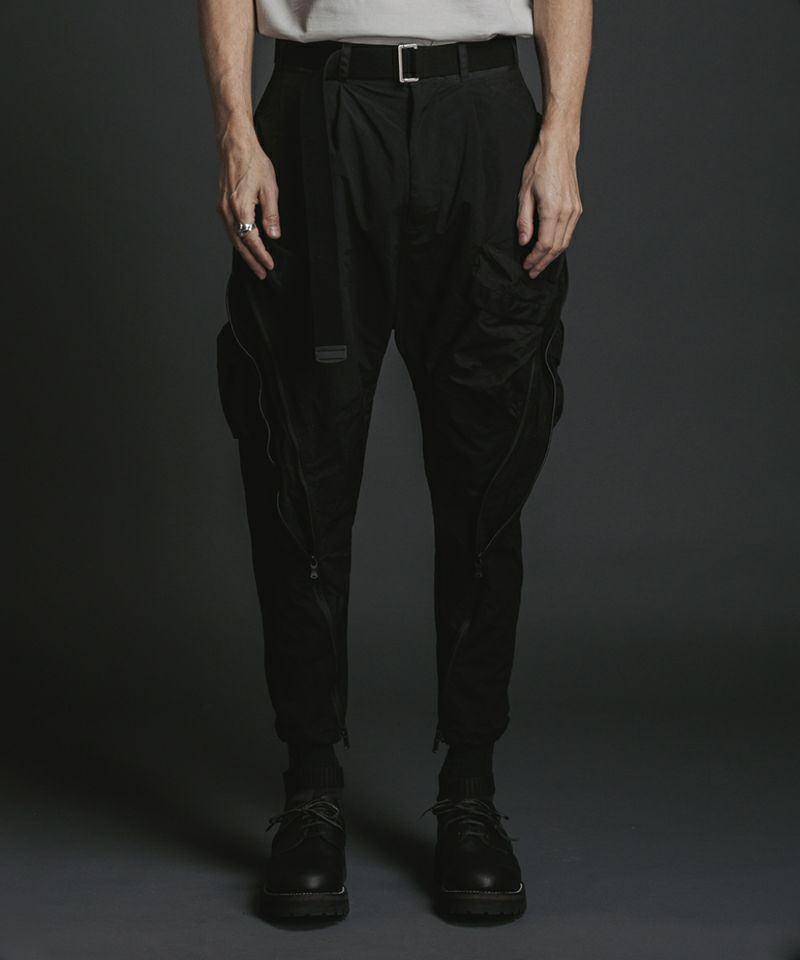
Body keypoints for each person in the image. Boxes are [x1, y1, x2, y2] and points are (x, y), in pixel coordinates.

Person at [197, 0, 591, 922]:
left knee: (487, 470)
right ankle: (309, 791)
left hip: (481, 111)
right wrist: (236, 133)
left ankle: (471, 790)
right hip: (317, 114)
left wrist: (561, 136)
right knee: (297, 464)